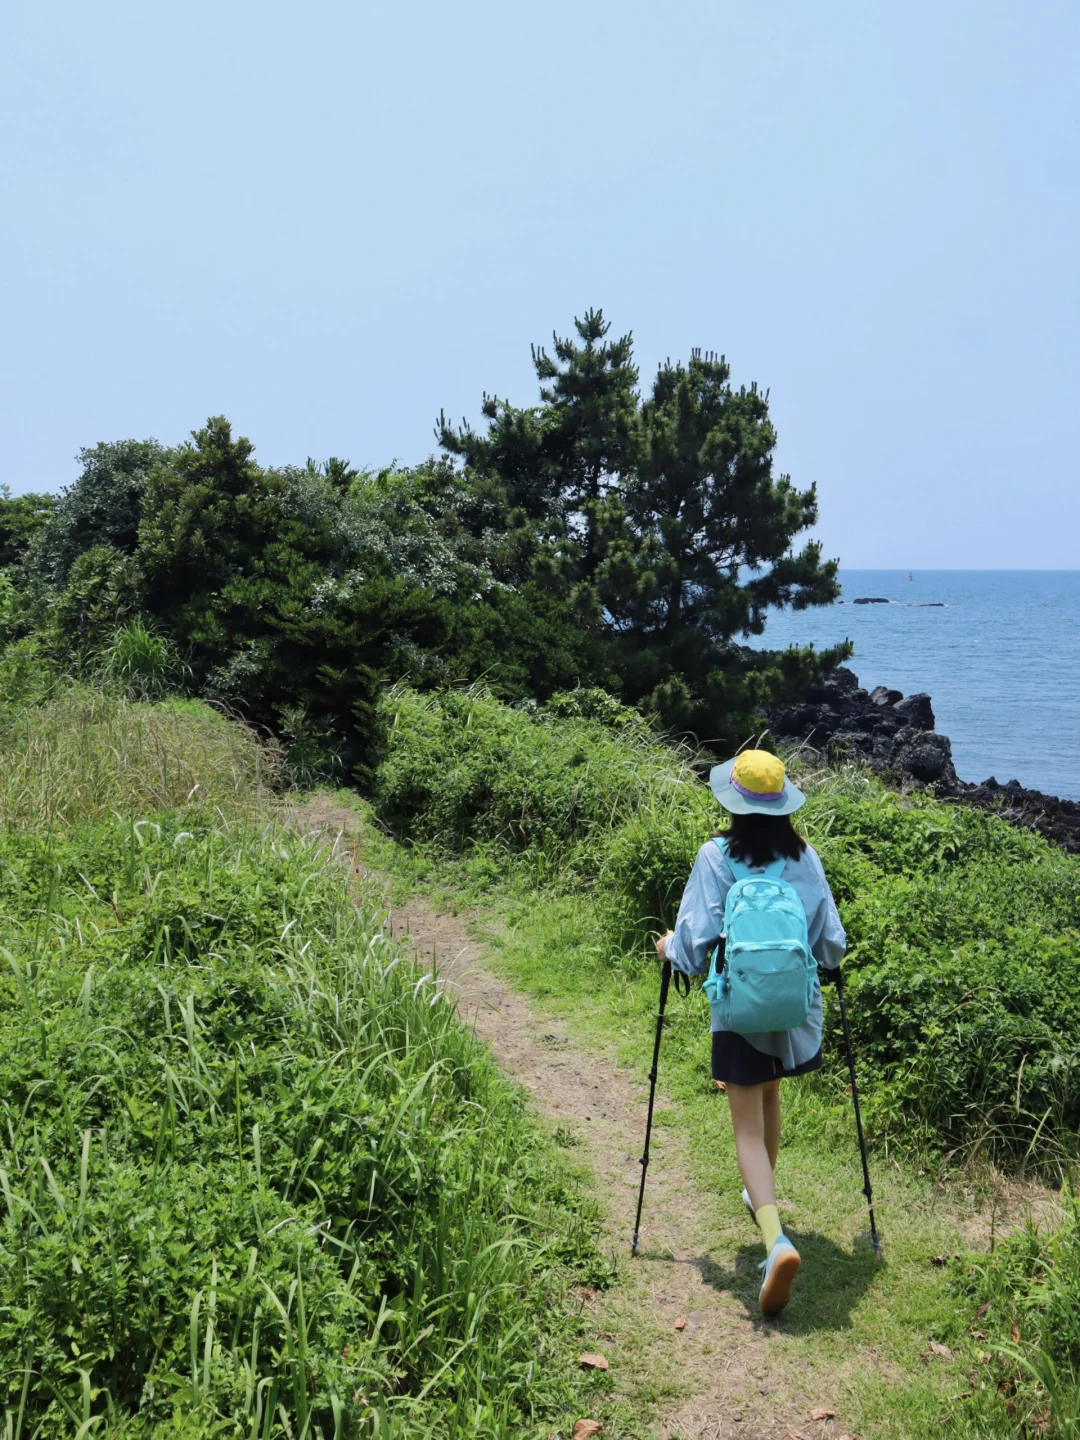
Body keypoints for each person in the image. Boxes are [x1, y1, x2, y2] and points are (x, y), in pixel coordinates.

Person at [656, 749, 846, 1316]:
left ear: (732, 802)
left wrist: (669, 948)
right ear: (784, 805)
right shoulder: (804, 855)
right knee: (770, 1093)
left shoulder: (716, 857)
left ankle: (775, 1241)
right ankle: (757, 1194)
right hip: (794, 1007)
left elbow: (693, 946)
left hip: (740, 1007)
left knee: (744, 1127)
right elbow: (830, 941)